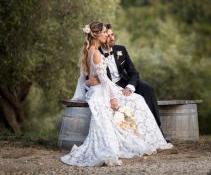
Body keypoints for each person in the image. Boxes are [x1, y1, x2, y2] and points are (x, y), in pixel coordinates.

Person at [61, 22, 171, 167]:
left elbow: (95, 78)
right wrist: (112, 98)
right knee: (137, 101)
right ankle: (143, 138)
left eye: (108, 32)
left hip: (100, 89)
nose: (108, 35)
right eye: (105, 32)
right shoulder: (96, 53)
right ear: (96, 35)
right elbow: (104, 81)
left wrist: (91, 84)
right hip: (102, 91)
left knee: (139, 97)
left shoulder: (90, 50)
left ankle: (150, 135)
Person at [86, 23, 169, 142]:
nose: (112, 38)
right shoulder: (96, 52)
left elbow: (134, 72)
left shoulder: (121, 49)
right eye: (108, 35)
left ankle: (158, 131)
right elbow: (89, 76)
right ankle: (134, 136)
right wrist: (89, 82)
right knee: (135, 101)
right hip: (110, 87)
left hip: (124, 83)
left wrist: (130, 87)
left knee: (147, 89)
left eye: (112, 34)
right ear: (100, 36)